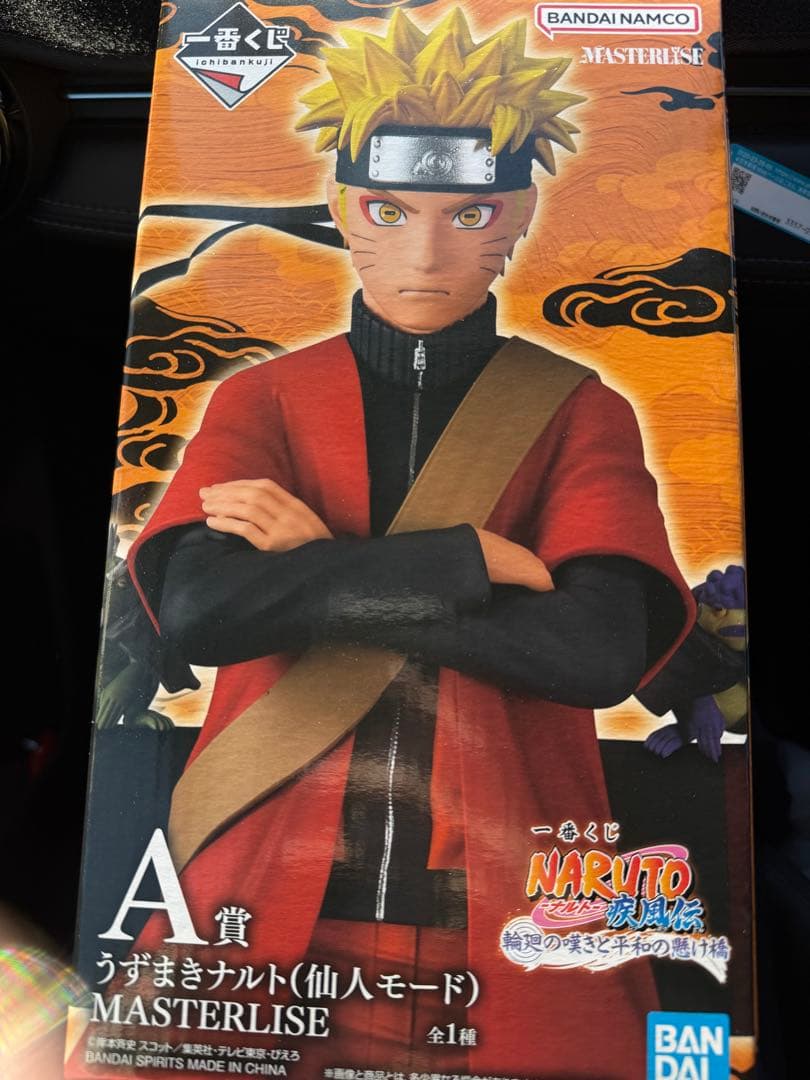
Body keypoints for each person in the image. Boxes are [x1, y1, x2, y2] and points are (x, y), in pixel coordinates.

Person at [127, 9, 695, 1076]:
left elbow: (595, 651)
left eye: (469, 211)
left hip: (518, 929)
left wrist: (316, 565)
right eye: (389, 209)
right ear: (345, 207)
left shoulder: (578, 407)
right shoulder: (264, 399)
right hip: (255, 903)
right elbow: (201, 614)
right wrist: (465, 563)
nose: (426, 252)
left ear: (518, 214)